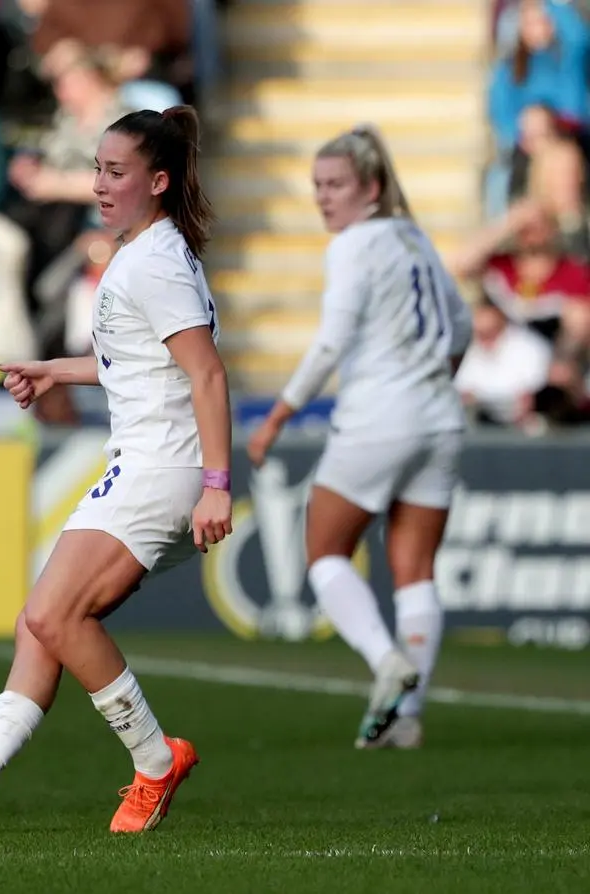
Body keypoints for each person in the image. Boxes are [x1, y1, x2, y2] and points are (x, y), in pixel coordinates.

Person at [0, 106, 232, 834]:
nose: (99, 184)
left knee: (53, 614)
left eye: (115, 172)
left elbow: (205, 375)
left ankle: (156, 760)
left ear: (158, 181)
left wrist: (216, 485)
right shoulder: (143, 252)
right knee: (39, 624)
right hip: (141, 461)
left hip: (164, 466)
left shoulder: (157, 260)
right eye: (97, 169)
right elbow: (139, 363)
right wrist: (55, 372)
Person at [246, 125, 473, 750]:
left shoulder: (353, 245)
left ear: (371, 187)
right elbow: (462, 326)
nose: (324, 198)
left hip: (379, 418)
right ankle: (406, 718)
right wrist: (432, 381)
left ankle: (384, 663)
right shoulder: (414, 236)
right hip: (440, 419)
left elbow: (330, 343)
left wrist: (275, 418)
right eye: (317, 185)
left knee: (323, 553)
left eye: (336, 184)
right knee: (416, 572)